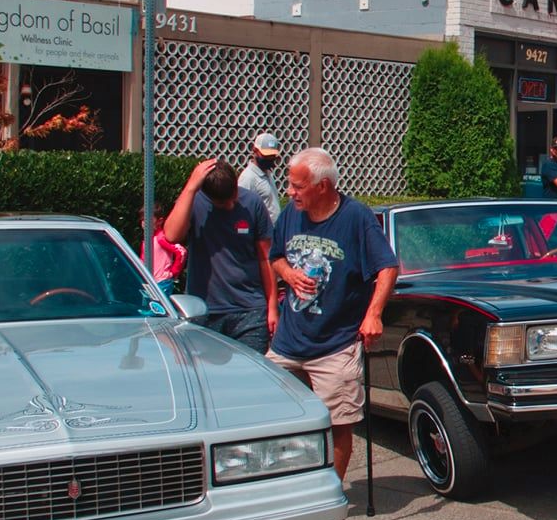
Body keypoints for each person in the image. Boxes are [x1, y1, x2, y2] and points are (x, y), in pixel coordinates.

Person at [267, 148, 400, 483]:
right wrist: (288, 273)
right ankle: (284, 486)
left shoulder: (357, 217)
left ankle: (330, 491)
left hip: (335, 345)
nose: (289, 192)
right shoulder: (289, 215)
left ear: (323, 186)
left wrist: (374, 315)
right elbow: (275, 258)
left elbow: (387, 267)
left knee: (339, 424)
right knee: (268, 419)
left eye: (297, 186)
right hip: (287, 343)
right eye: (290, 185)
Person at [162, 158, 273, 352]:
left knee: (249, 376)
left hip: (250, 312)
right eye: (223, 202)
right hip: (204, 311)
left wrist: (272, 307)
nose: (231, 205)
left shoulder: (253, 204)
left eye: (234, 196)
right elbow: (171, 235)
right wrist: (190, 188)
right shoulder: (194, 203)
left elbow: (266, 258)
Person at [238, 132, 282, 214]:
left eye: (272, 155)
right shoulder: (248, 178)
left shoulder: (268, 174)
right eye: (266, 155)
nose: (269, 158)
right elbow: (242, 210)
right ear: (255, 151)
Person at [150, 200, 187, 295]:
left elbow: (181, 251)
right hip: (151, 281)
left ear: (160, 221)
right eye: (142, 219)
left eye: (148, 219)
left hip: (162, 282)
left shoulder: (161, 238)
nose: (144, 223)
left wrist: (173, 272)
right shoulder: (148, 239)